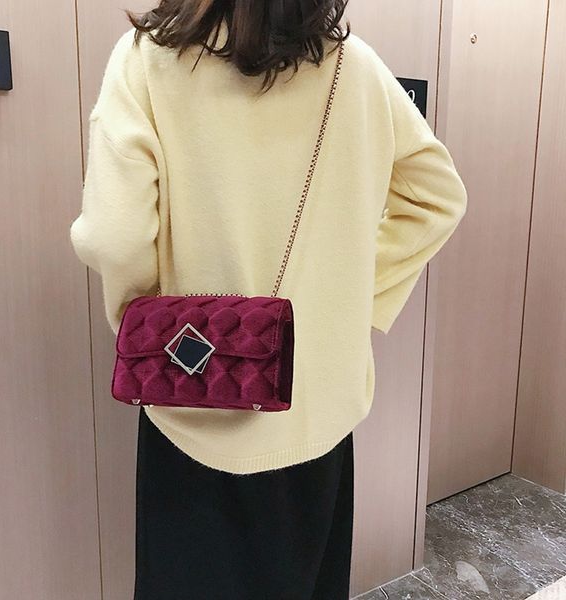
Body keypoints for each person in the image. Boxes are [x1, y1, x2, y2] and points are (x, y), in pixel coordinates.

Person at [69, 1, 468, 598]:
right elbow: (437, 198)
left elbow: (114, 235)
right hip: (317, 408)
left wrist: (151, 331)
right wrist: (349, 302)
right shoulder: (354, 68)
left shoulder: (149, 60)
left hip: (192, 403)